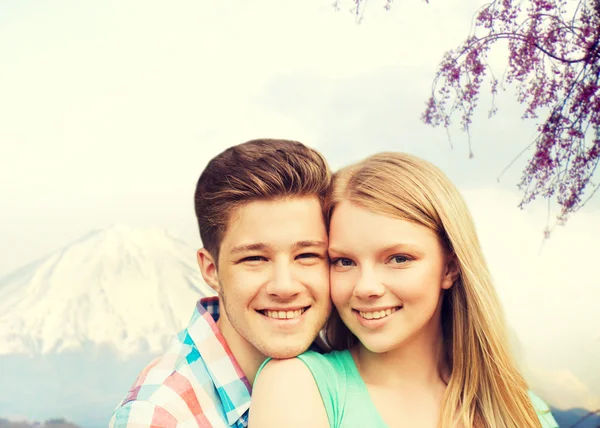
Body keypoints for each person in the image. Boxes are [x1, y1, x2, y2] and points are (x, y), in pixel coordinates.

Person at [249, 152, 558, 427]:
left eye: (399, 258)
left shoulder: (525, 411)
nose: (366, 287)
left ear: (449, 267)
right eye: (344, 261)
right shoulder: (298, 385)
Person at [109, 138, 333, 427]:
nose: (285, 286)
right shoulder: (160, 416)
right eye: (255, 259)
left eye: (307, 255)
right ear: (211, 269)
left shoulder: (347, 372)